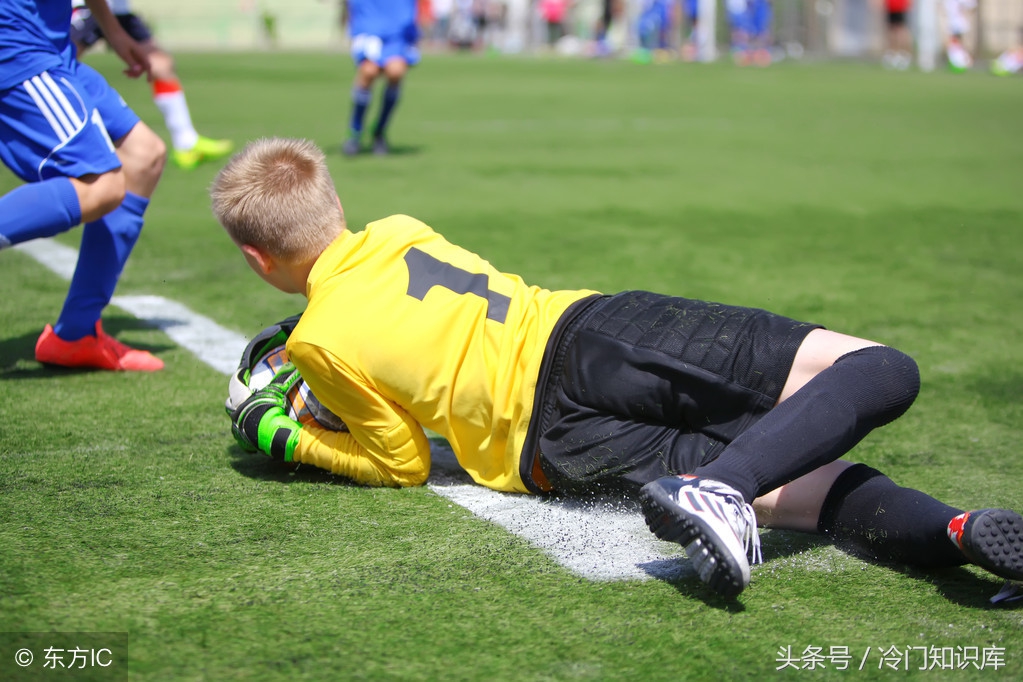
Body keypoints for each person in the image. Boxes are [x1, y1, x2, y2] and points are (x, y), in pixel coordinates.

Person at [211, 137, 1023, 598]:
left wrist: (290, 439)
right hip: (589, 333)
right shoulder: (397, 227)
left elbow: (400, 463)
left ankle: (938, 529)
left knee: (796, 496)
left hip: (547, 447)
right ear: (334, 205)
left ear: (256, 259)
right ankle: (942, 527)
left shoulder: (321, 341)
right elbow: (399, 303)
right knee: (881, 369)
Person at [0, 0, 166, 371]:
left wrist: (114, 30)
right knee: (101, 184)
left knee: (143, 156)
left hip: (52, 44)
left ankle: (74, 336)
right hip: (15, 41)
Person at [69, 0, 233, 170]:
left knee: (162, 65)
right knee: (62, 63)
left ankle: (186, 142)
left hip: (118, 10)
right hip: (87, 7)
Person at [340, 0, 420, 156]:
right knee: (369, 72)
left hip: (398, 28)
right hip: (369, 24)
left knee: (395, 72)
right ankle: (355, 132)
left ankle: (379, 131)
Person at [882, 0, 912, 70]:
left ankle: (902, 53)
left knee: (901, 30)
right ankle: (892, 53)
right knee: (891, 30)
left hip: (900, 6)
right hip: (891, 6)